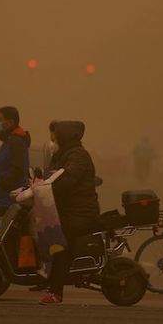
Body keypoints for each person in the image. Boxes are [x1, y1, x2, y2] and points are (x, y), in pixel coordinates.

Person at [42, 120, 101, 305]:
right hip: (67, 210)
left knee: (60, 243)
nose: (53, 137)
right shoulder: (64, 153)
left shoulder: (77, 156)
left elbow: (67, 180)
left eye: (56, 134)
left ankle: (56, 291)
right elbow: (52, 174)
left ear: (64, 135)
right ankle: (47, 278)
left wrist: (49, 187)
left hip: (80, 213)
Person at [0, 106, 31, 215]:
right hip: (3, 200)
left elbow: (18, 169)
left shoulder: (16, 142)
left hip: (8, 201)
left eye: (0, 120)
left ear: (10, 122)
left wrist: (2, 184)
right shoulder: (10, 140)